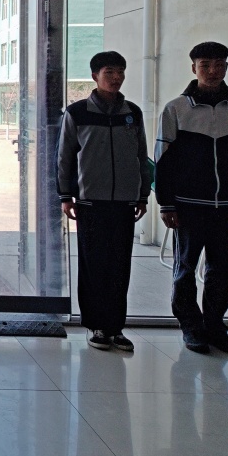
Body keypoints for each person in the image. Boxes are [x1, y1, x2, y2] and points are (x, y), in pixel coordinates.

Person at [155, 41, 228, 356]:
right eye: (205, 65)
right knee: (185, 268)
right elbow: (163, 161)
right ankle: (191, 326)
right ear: (194, 68)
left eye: (219, 65)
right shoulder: (176, 109)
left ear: (226, 67)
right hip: (187, 206)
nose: (212, 71)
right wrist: (166, 203)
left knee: (223, 270)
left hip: (227, 206)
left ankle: (215, 327)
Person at [58, 51, 151, 352]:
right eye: (109, 71)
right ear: (95, 76)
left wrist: (142, 194)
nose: (116, 77)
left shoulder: (132, 113)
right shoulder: (77, 112)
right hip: (90, 202)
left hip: (125, 202)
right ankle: (96, 325)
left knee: (120, 266)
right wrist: (65, 195)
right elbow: (65, 157)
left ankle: (116, 327)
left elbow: (141, 155)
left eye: (120, 71)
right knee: (94, 265)